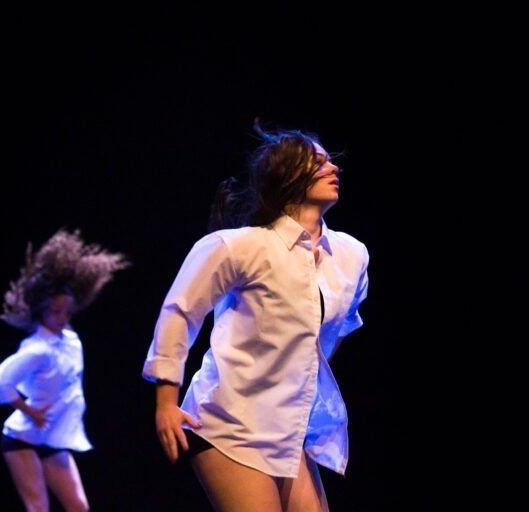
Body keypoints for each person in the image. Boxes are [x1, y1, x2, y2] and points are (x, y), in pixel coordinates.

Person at [142, 122, 370, 511]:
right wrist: (166, 400)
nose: (333, 169)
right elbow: (180, 312)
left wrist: (301, 380)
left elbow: (340, 325)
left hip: (288, 430)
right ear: (288, 177)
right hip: (228, 423)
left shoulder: (351, 255)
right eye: (318, 163)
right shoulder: (240, 246)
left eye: (331, 162)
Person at [0, 229, 129, 512]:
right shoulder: (37, 348)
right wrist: (29, 411)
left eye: (67, 311)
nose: (63, 317)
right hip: (22, 439)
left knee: (79, 507)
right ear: (42, 311)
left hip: (54, 438)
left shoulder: (71, 341)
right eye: (56, 311)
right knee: (38, 507)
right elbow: (0, 381)